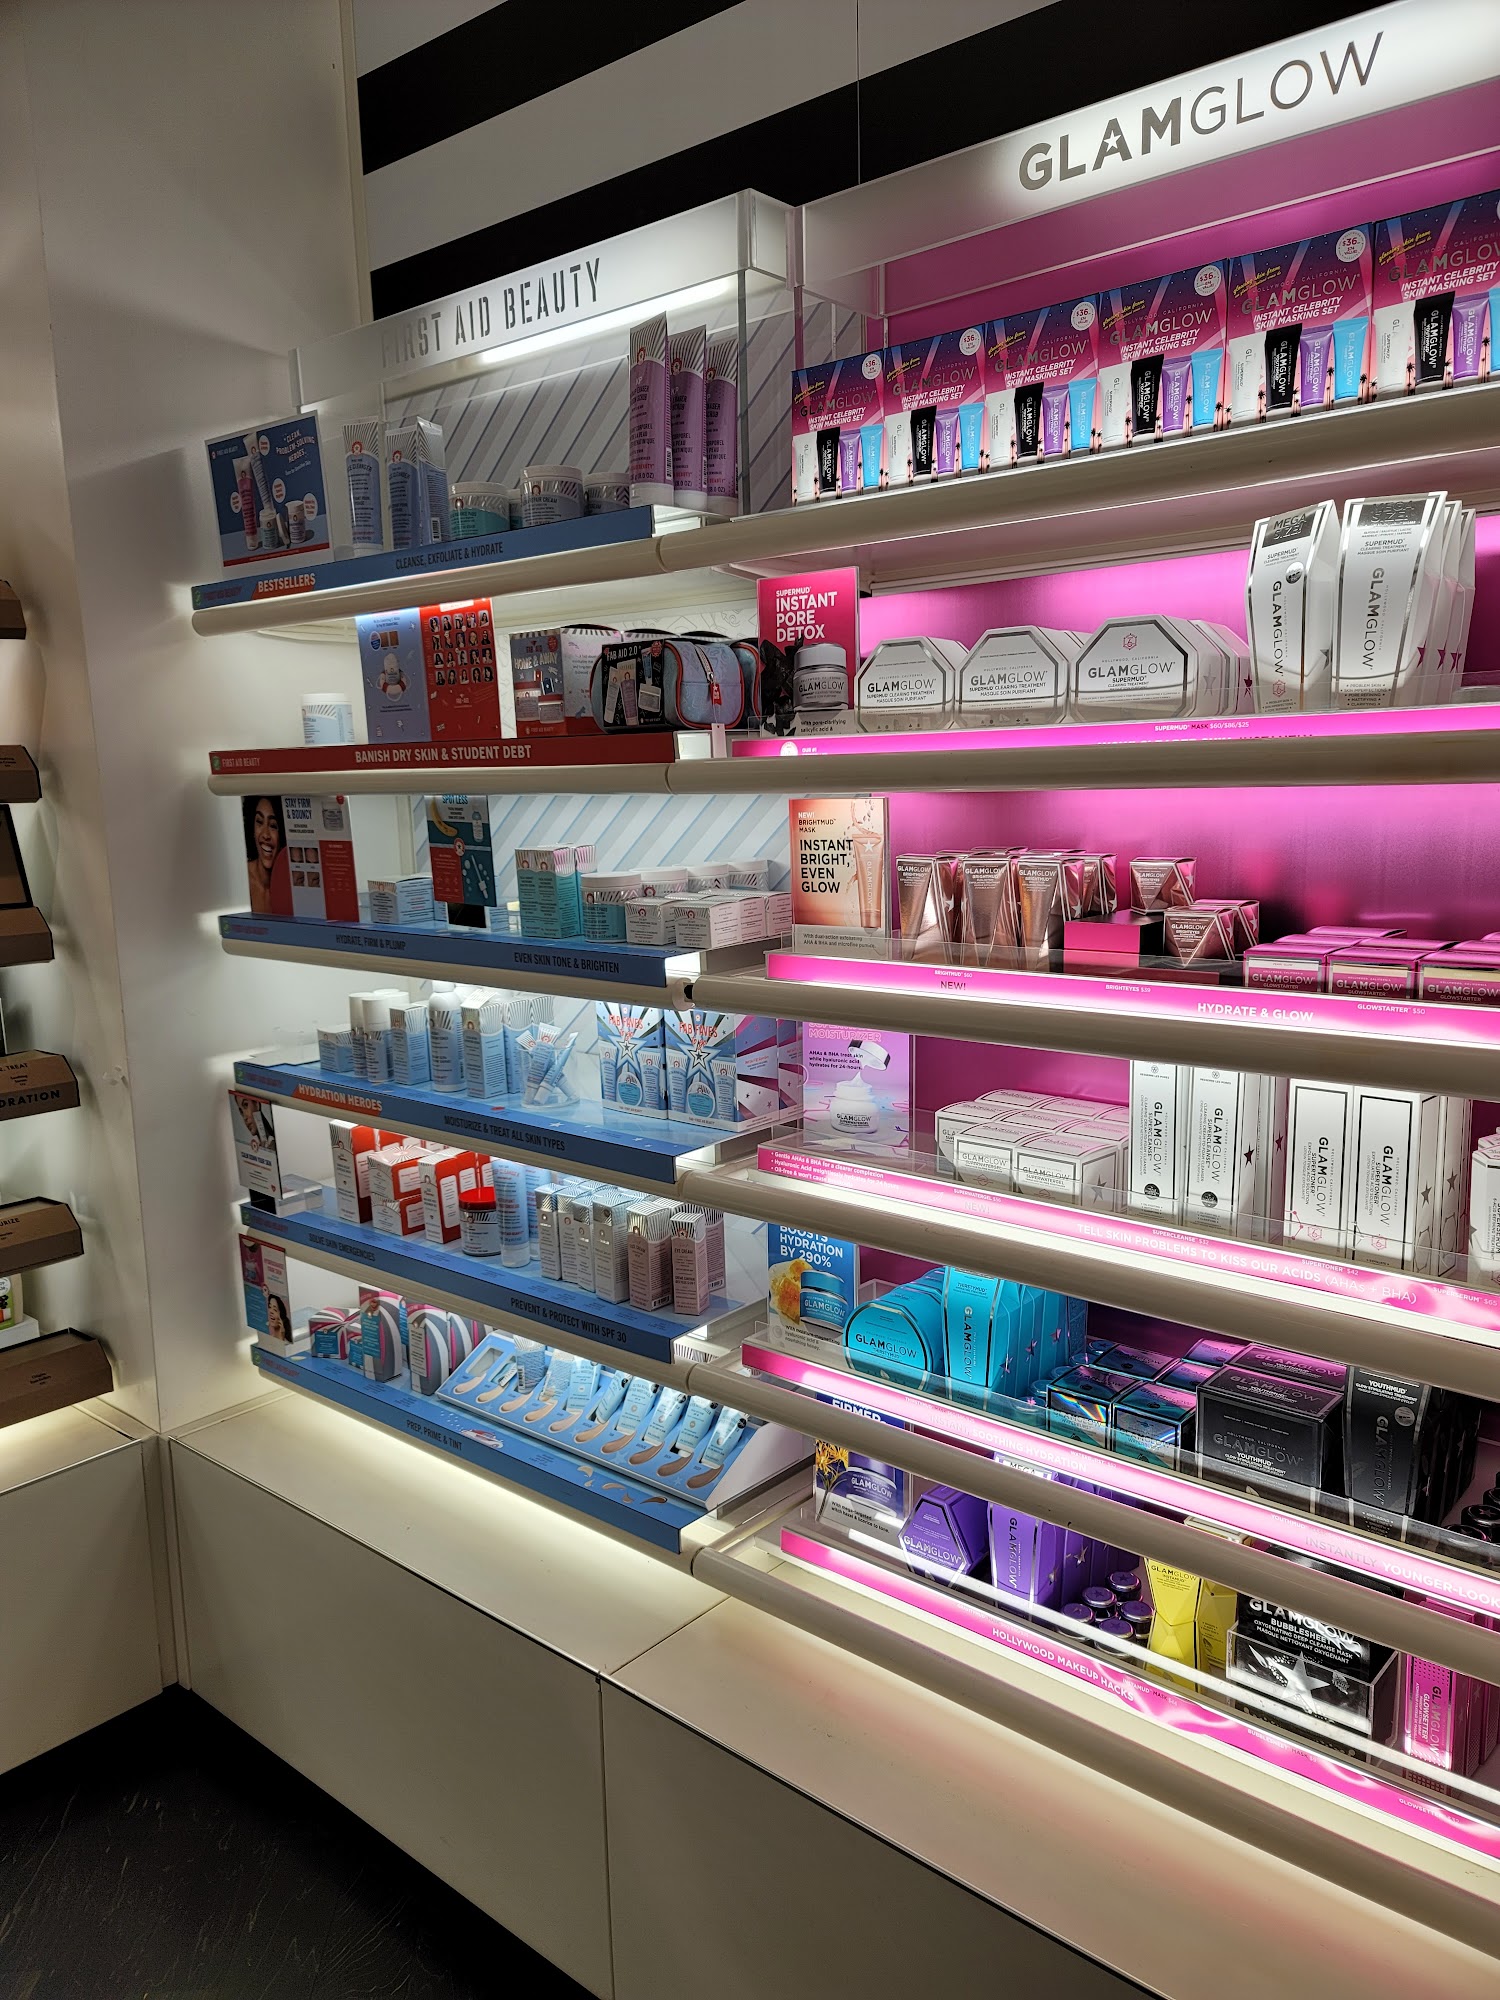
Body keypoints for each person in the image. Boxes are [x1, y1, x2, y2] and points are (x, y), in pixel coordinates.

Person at [243, 795, 284, 913]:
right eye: (259, 822)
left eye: (273, 826)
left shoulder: (293, 885)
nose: (265, 835)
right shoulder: (241, 878)